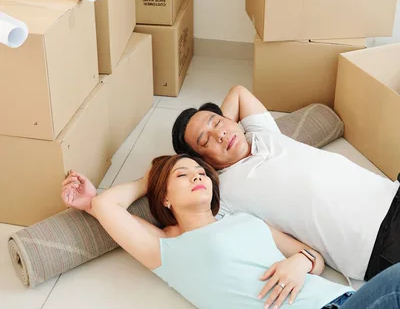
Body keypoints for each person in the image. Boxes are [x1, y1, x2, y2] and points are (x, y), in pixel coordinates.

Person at [62, 157, 400, 309]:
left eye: (200, 172)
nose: (197, 177)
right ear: (163, 195)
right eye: (182, 175)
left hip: (345, 299)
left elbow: (314, 258)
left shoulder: (246, 220)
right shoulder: (168, 247)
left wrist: (298, 263)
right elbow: (108, 206)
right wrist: (152, 175)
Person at [171, 85, 400, 282]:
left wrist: (223, 128)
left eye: (218, 122)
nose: (219, 134)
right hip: (376, 241)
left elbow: (239, 92)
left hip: (391, 193)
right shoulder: (224, 194)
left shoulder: (262, 133)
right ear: (200, 161)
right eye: (205, 140)